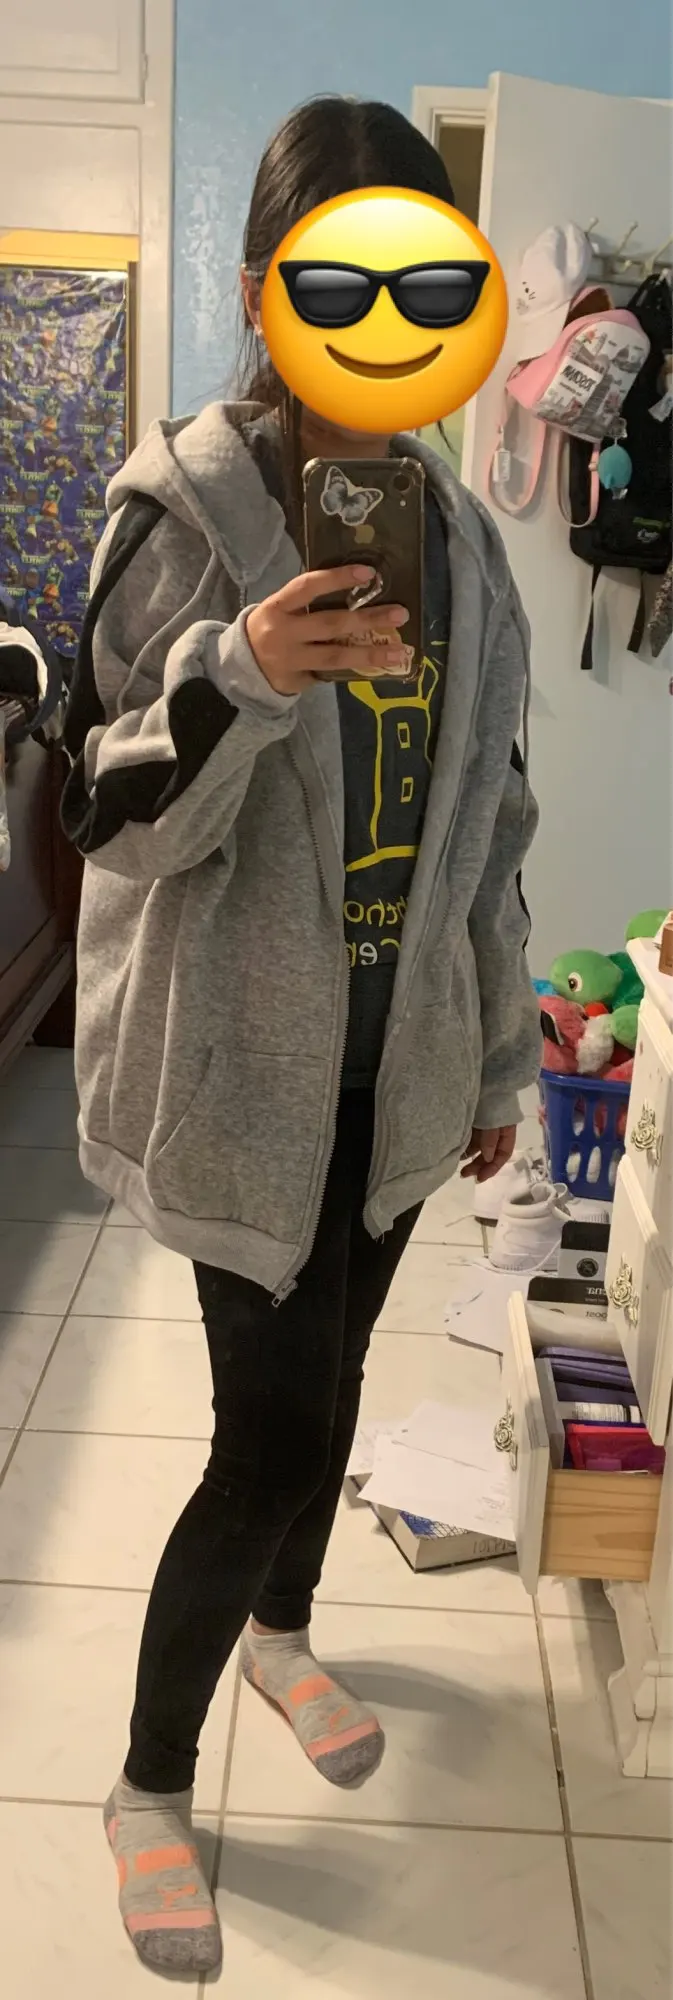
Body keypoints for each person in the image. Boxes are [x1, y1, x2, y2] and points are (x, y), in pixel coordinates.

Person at [61, 94, 541, 1977]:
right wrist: (242, 671)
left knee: (329, 1397)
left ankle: (281, 1636)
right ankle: (147, 1786)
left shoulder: (468, 543)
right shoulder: (177, 514)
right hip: (238, 1077)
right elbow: (103, 812)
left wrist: (494, 1058)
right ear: (271, 289)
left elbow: (492, 817)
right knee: (263, 1440)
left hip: (397, 1070)